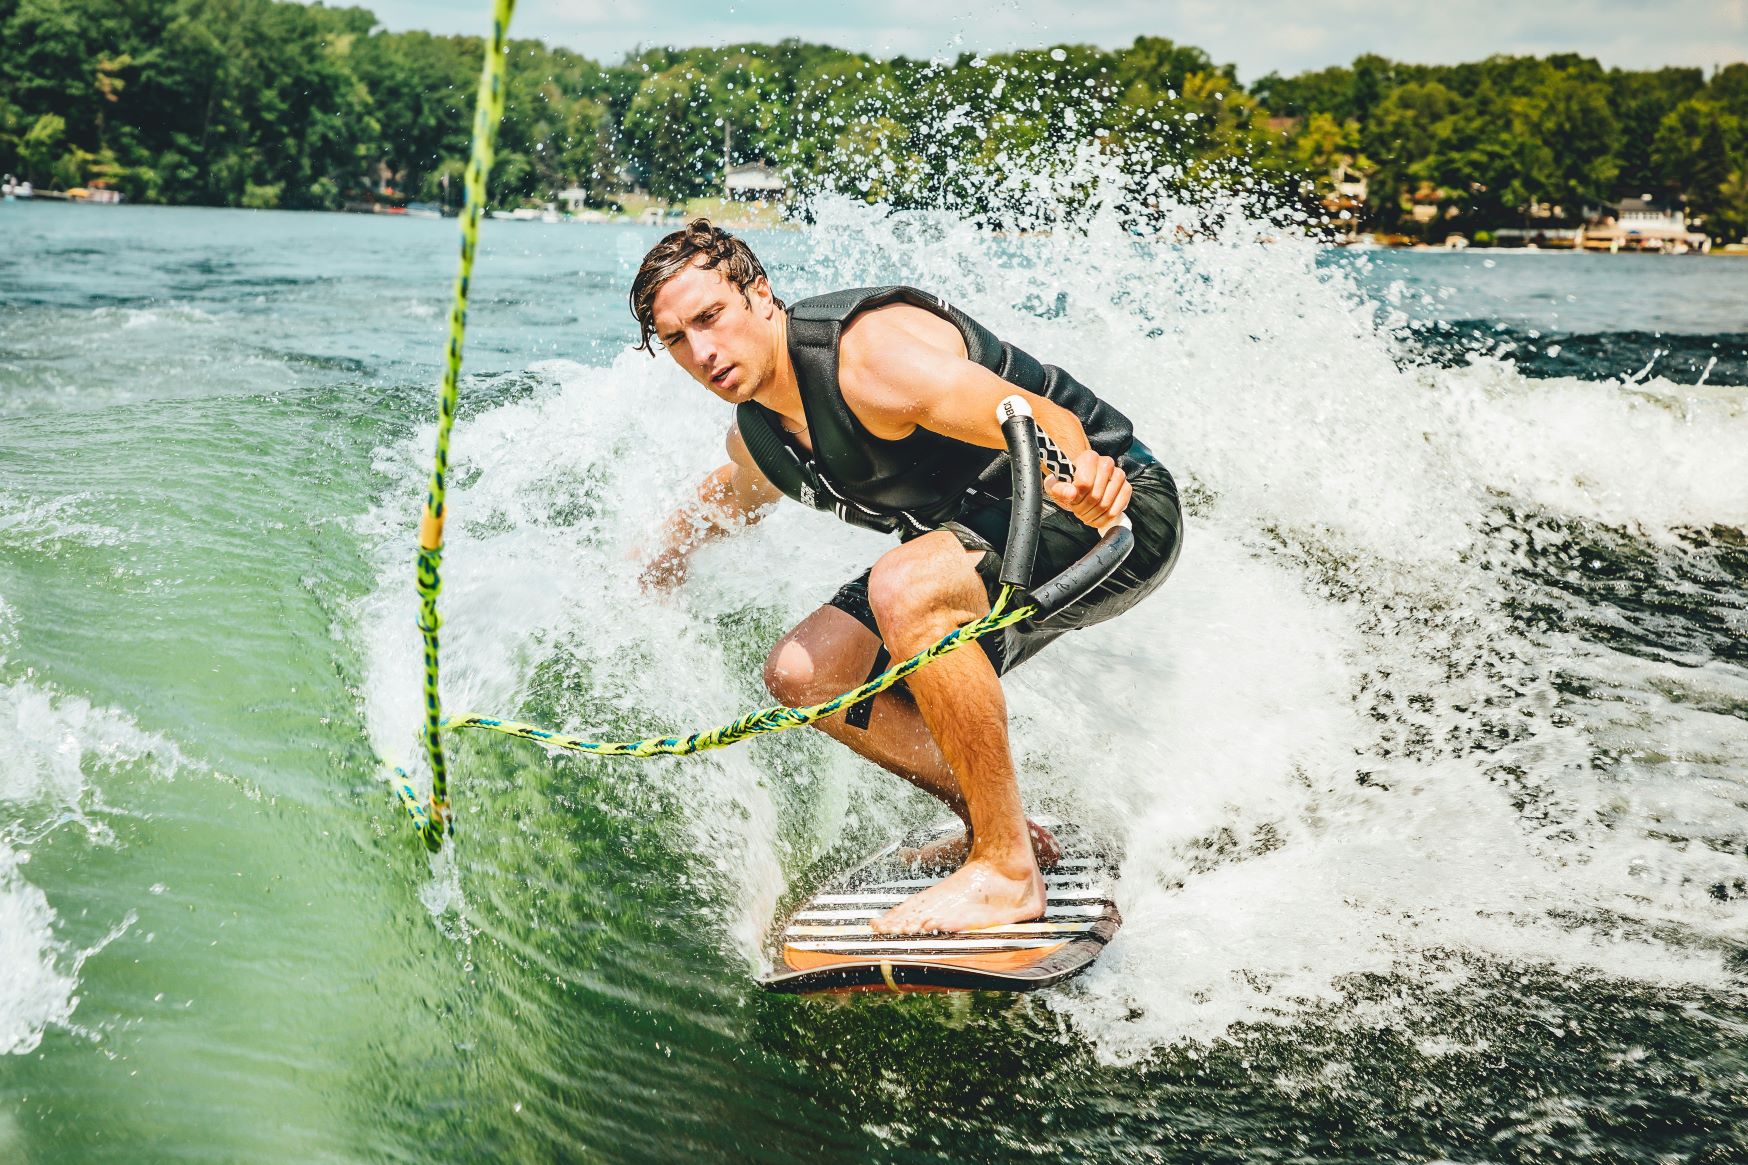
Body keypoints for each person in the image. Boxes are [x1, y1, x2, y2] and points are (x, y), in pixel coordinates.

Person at [632, 220, 1182, 934]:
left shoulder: (869, 358)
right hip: (987, 540)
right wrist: (661, 561)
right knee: (806, 673)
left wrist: (1078, 474)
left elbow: (1032, 417)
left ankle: (1007, 870)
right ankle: (998, 820)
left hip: (1115, 513)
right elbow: (736, 490)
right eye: (677, 338)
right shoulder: (762, 430)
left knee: (904, 586)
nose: (702, 351)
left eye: (710, 317)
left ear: (759, 295)